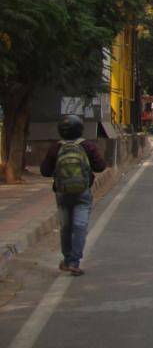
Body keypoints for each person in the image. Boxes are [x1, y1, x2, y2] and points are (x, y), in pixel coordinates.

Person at [40, 115, 107, 276]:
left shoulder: (55, 148)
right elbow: (100, 167)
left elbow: (45, 171)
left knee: (65, 227)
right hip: (83, 193)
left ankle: (67, 258)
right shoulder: (88, 146)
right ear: (80, 130)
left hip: (62, 194)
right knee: (80, 227)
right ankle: (75, 263)